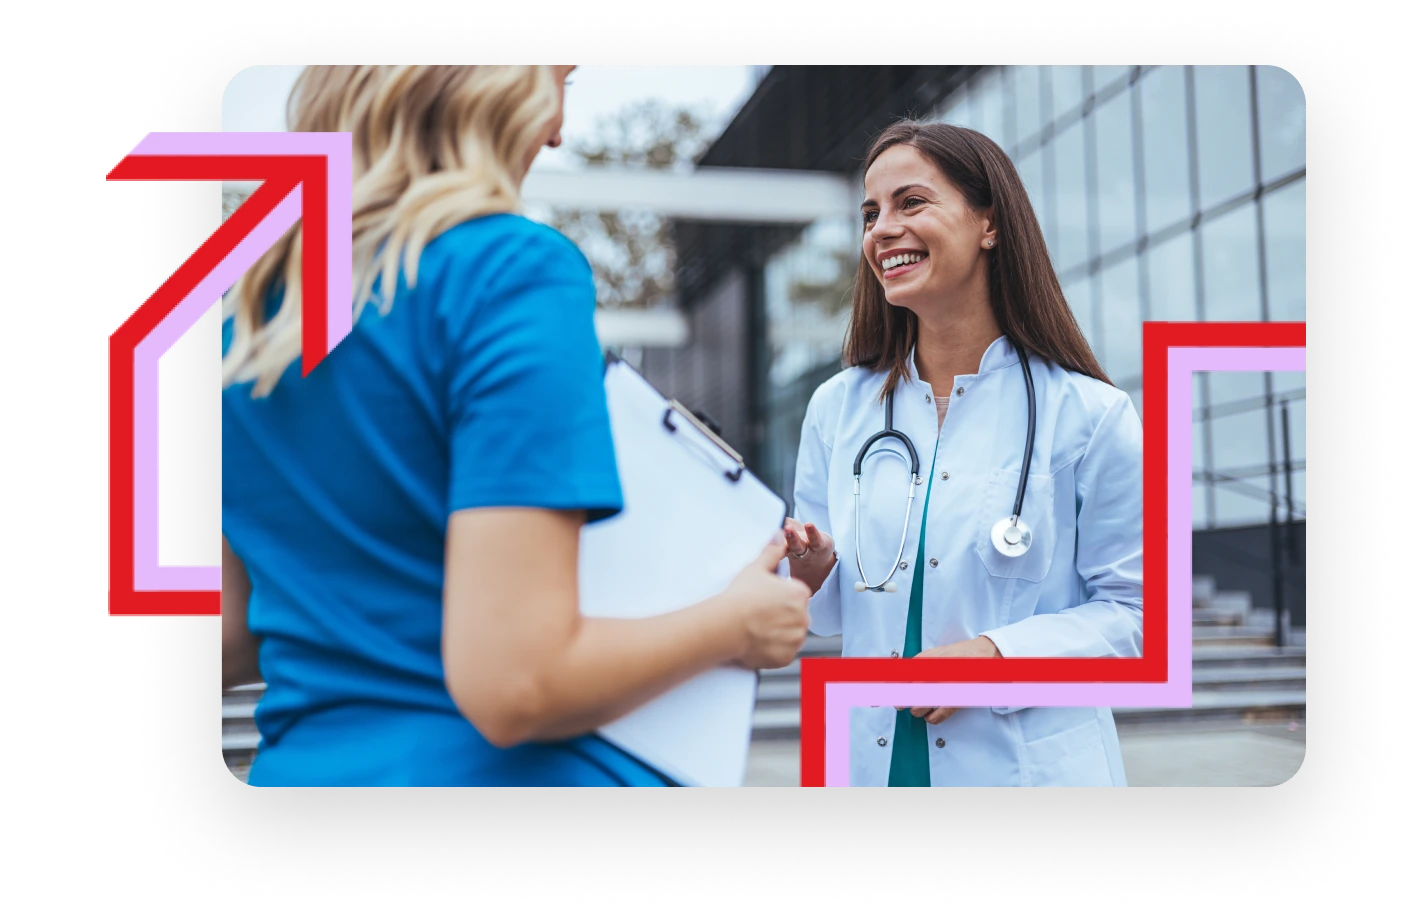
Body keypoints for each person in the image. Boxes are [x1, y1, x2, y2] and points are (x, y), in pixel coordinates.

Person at [220, 64, 811, 787]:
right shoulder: (506, 271)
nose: (558, 129)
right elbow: (516, 682)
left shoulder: (250, 323)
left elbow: (227, 634)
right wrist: (738, 624)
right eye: (559, 82)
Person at [782, 120, 1143, 788]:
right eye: (870, 212)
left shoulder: (1090, 416)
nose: (881, 228)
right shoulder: (837, 409)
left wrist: (994, 654)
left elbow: (1137, 616)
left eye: (910, 202)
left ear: (989, 224)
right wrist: (806, 571)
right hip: (870, 758)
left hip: (1027, 764)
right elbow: (826, 608)